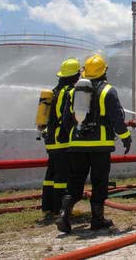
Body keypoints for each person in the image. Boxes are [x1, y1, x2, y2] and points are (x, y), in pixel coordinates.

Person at [56, 54, 132, 233]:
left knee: (75, 179)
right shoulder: (108, 91)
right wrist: (126, 137)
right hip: (100, 146)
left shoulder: (74, 91)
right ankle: (97, 220)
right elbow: (117, 120)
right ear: (104, 70)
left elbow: (67, 120)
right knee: (99, 181)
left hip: (77, 144)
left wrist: (70, 137)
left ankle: (63, 215)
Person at [40, 57, 80, 216]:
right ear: (74, 75)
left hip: (50, 139)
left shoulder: (54, 91)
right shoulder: (69, 92)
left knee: (51, 174)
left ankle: (47, 206)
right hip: (61, 140)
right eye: (78, 74)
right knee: (62, 176)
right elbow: (66, 118)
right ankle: (59, 208)